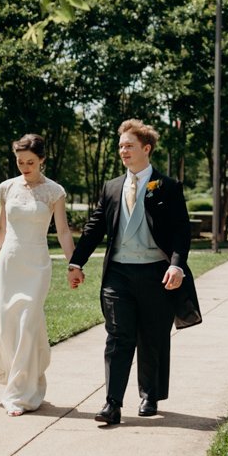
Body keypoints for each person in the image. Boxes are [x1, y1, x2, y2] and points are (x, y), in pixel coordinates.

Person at [68, 118, 199, 425]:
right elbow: (94, 227)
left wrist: (177, 265)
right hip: (119, 275)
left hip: (156, 273)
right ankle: (112, 402)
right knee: (118, 336)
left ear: (146, 148)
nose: (123, 151)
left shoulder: (167, 186)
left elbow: (181, 231)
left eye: (129, 146)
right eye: (120, 146)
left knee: (153, 337)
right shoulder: (112, 187)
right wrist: (77, 262)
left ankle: (150, 395)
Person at [0, 133, 76, 416]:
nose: (24, 167)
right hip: (11, 262)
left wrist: (74, 264)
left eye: (30, 162)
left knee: (28, 323)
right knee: (11, 328)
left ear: (42, 160)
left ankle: (18, 395)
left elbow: (62, 231)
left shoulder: (55, 192)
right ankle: (31, 380)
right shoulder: (6, 188)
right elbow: (1, 229)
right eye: (20, 161)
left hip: (37, 265)